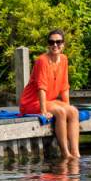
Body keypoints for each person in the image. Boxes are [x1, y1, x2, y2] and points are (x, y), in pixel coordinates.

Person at [19, 29, 81, 158]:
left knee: (73, 111)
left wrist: (68, 106)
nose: (55, 45)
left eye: (58, 42)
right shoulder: (42, 61)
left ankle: (76, 152)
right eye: (52, 42)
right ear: (48, 44)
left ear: (63, 45)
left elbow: (64, 86)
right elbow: (41, 88)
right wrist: (43, 110)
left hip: (49, 100)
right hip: (32, 102)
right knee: (60, 112)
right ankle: (65, 153)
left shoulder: (64, 59)